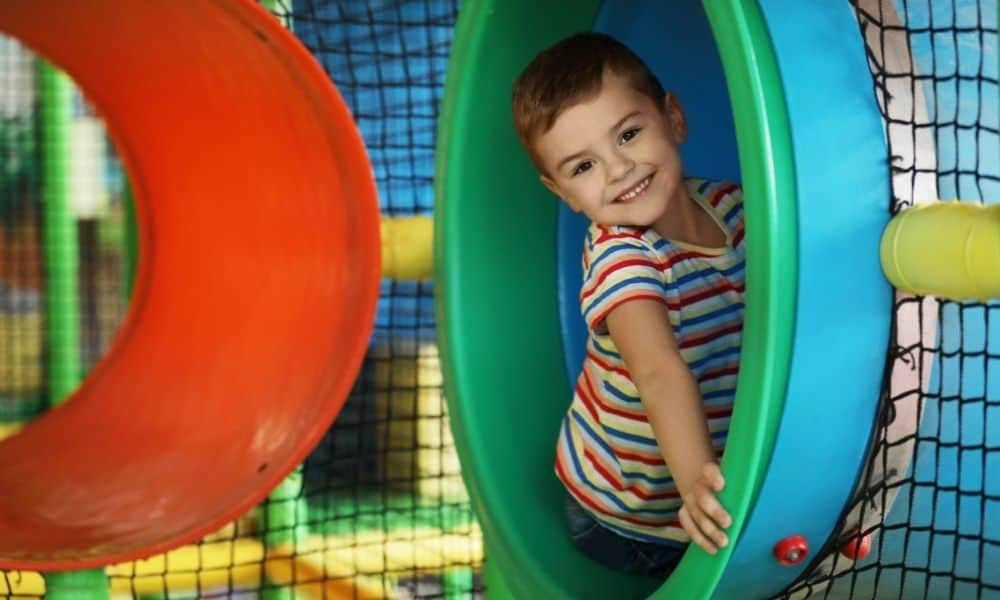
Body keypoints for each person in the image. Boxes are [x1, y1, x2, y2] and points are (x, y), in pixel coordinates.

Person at [511, 32, 745, 577]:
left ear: (674, 119)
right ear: (565, 194)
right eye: (582, 167)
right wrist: (695, 482)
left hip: (697, 479)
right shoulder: (623, 259)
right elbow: (659, 372)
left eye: (629, 134)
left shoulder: (735, 209)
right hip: (622, 512)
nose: (618, 170)